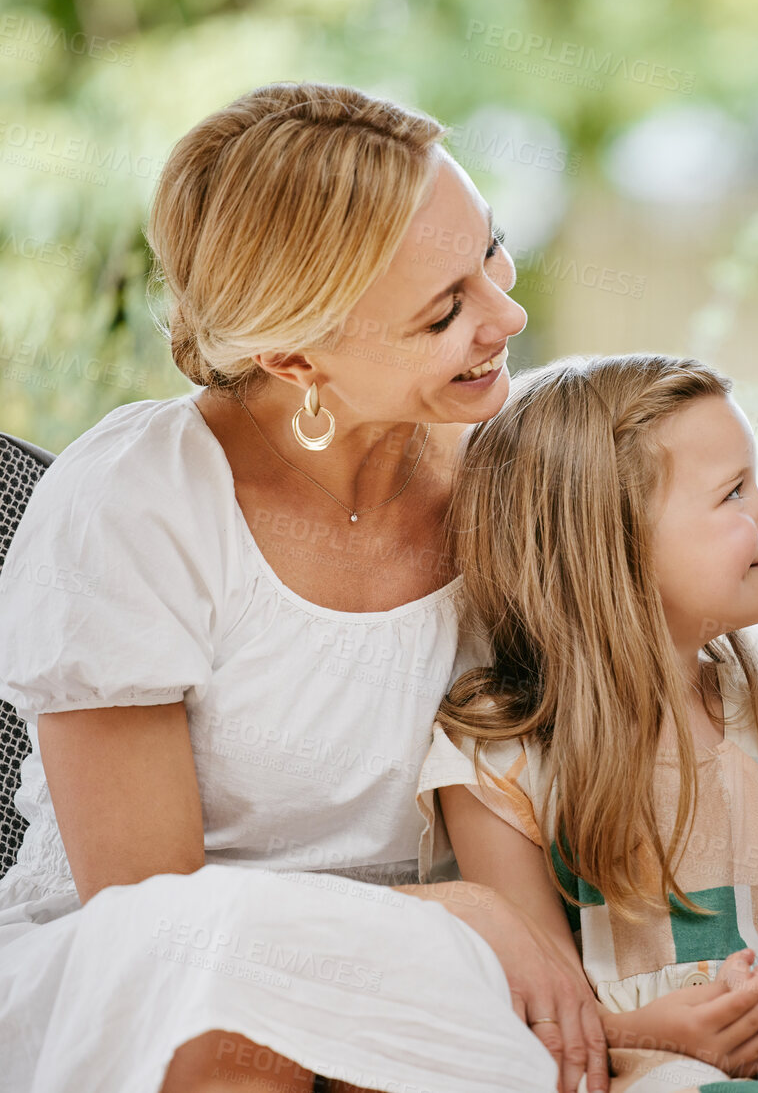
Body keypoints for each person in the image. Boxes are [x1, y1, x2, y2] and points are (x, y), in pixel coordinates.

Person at [0, 83, 608, 1093]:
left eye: (489, 250)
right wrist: (458, 913)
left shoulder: (516, 470)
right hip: (156, 996)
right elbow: (160, 919)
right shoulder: (134, 502)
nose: (509, 311)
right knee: (235, 1038)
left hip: (425, 983)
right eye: (443, 310)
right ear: (294, 357)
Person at [416, 354, 758, 1093]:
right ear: (610, 547)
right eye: (733, 494)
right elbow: (542, 1010)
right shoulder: (494, 755)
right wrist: (651, 1034)